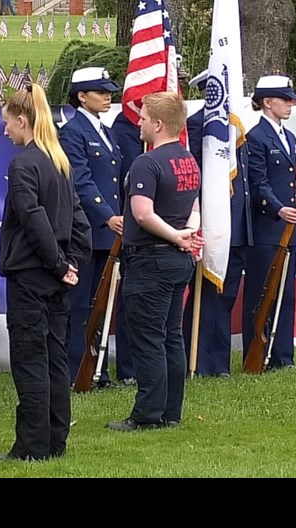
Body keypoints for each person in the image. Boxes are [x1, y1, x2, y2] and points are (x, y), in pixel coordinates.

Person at [0, 82, 92, 461]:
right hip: (57, 277)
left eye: (8, 123)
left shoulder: (24, 164)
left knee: (30, 359)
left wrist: (56, 262)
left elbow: (33, 220)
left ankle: (32, 445)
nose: (5, 131)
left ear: (23, 120)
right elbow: (78, 218)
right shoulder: (59, 161)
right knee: (55, 359)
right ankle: (55, 439)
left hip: (32, 276)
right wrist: (73, 262)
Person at [108, 91, 203, 432]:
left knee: (148, 337)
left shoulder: (146, 163)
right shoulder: (188, 161)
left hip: (151, 261)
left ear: (159, 124)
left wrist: (177, 236)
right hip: (178, 260)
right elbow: (194, 208)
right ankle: (170, 411)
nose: (140, 122)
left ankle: (147, 414)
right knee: (171, 336)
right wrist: (187, 233)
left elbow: (142, 213)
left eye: (145, 117)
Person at [182, 69, 253, 377]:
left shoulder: (236, 124)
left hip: (234, 223)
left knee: (226, 297)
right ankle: (198, 360)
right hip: (211, 222)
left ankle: (218, 362)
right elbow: (199, 177)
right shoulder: (198, 126)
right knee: (206, 295)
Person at [58, 66, 124, 389]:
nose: (107, 96)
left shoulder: (105, 130)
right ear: (82, 97)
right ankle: (76, 370)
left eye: (108, 90)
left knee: (104, 303)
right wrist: (108, 215)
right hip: (87, 231)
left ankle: (100, 369)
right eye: (100, 91)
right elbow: (80, 181)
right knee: (82, 304)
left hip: (110, 231)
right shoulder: (72, 132)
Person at [242, 74, 296, 371]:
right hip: (267, 227)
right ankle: (256, 351)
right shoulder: (256, 138)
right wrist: (279, 210)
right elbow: (258, 184)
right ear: (268, 102)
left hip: (287, 228)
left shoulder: (289, 137)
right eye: (285, 99)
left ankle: (282, 356)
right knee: (261, 292)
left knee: (286, 294)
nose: (290, 104)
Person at [109, 105, 144, 386]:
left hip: (151, 228)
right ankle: (124, 367)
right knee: (120, 299)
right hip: (123, 225)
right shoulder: (120, 131)